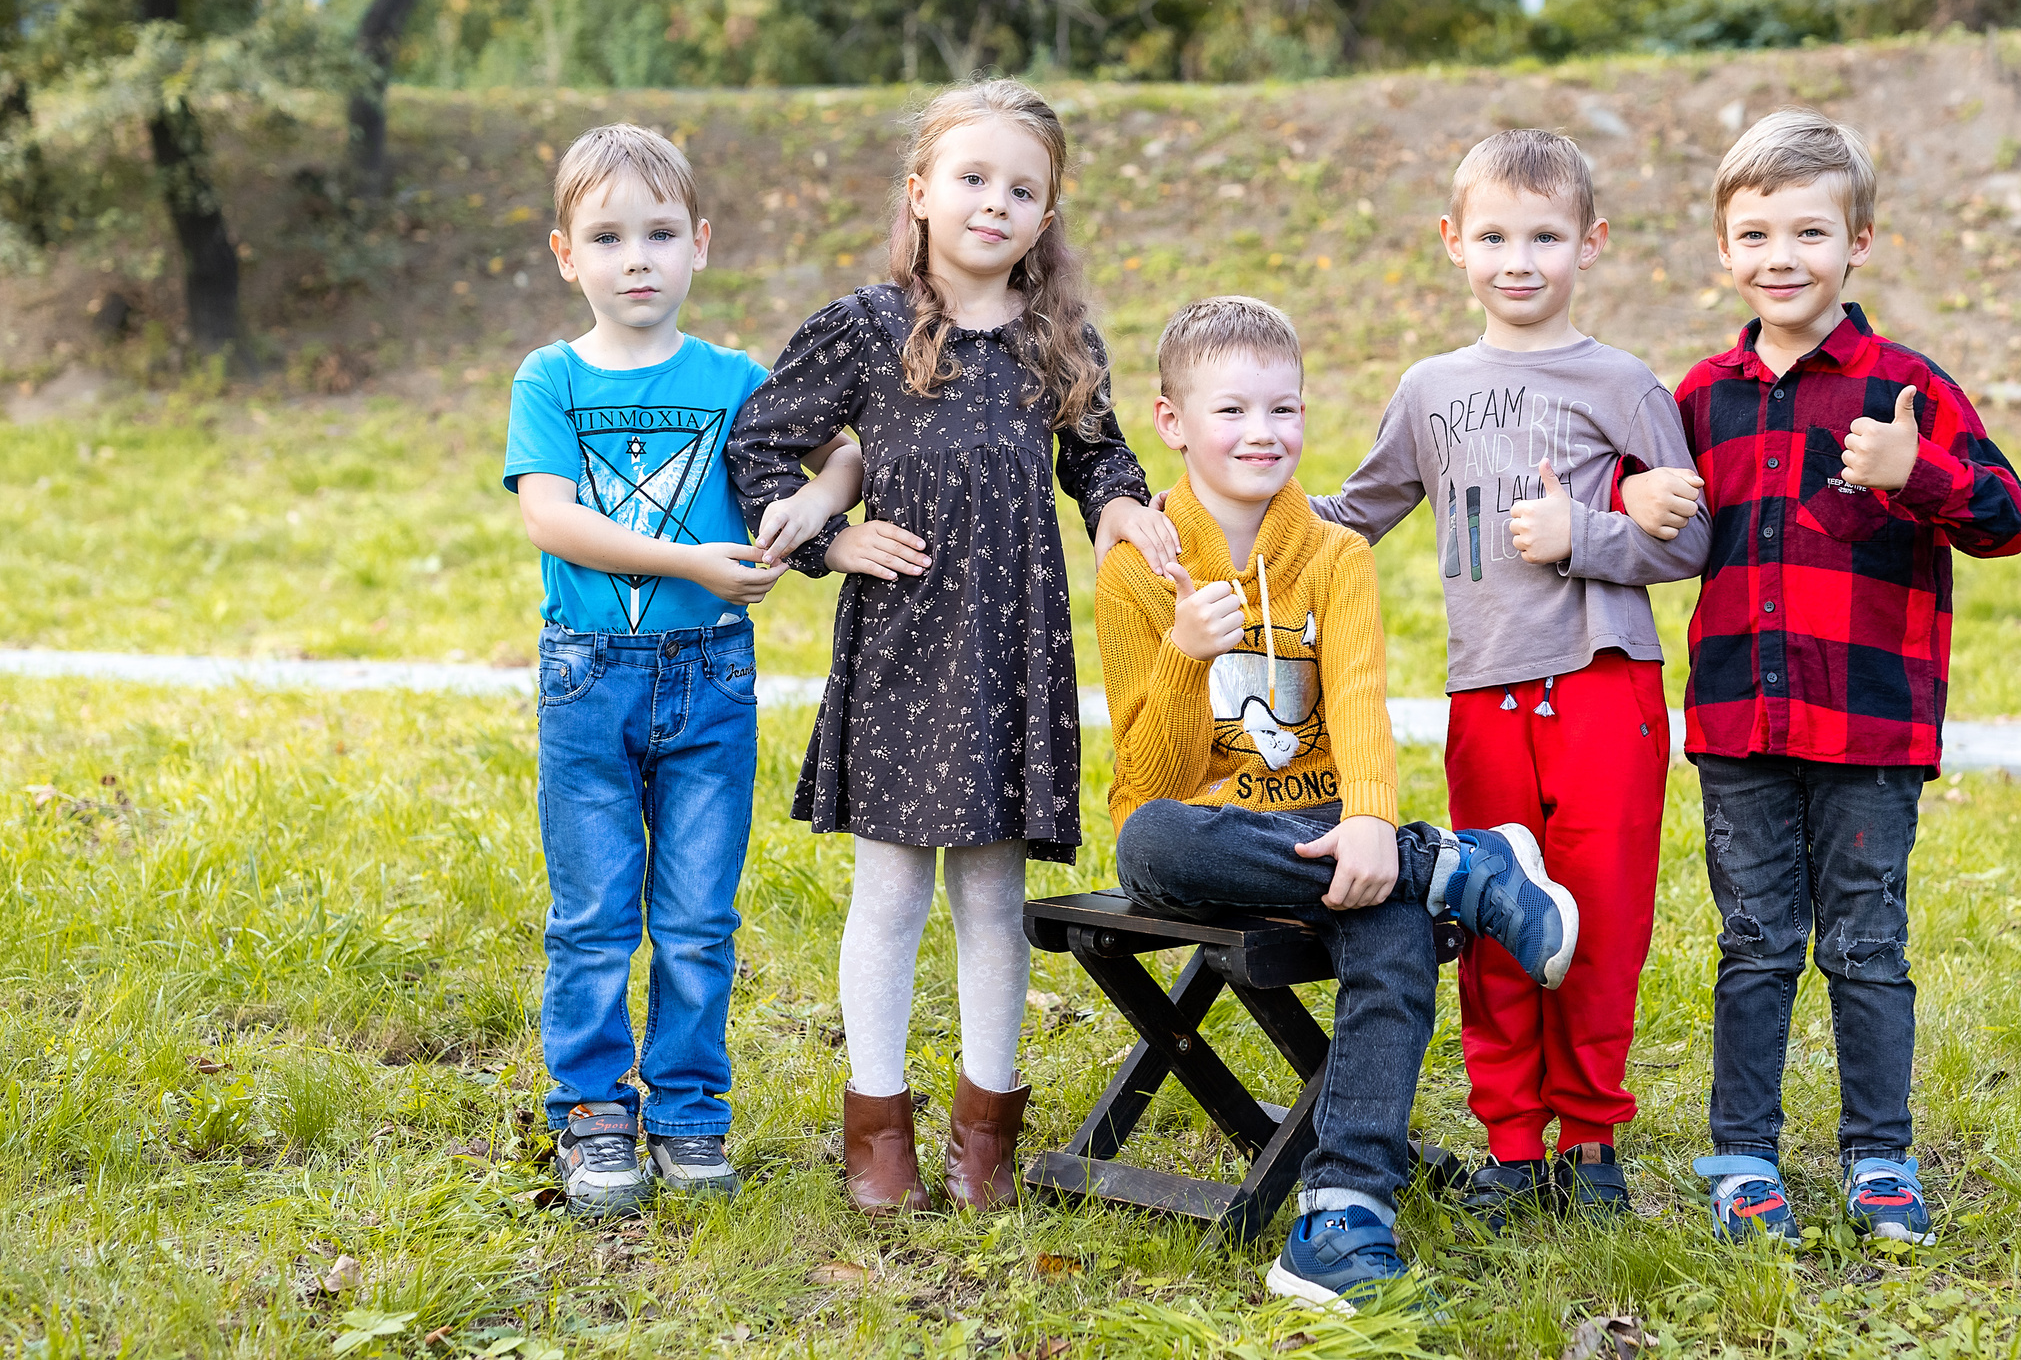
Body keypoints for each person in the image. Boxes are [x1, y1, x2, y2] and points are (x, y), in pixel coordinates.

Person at [1546, 108, 2021, 1246]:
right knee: (1755, 940)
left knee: (1866, 942)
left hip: (1869, 731)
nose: (1781, 256)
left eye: (1808, 233)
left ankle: (1878, 1155)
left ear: (1857, 241)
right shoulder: (1698, 396)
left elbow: (2008, 519)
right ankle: (1741, 1154)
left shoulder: (1903, 387)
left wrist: (1918, 474)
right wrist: (1626, 500)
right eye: (1755, 233)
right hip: (1737, 725)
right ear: (1724, 250)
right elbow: (1647, 512)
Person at [725, 79, 1181, 1216]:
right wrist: (832, 538)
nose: (995, 202)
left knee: (988, 896)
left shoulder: (1055, 336)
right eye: (972, 179)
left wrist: (1124, 509)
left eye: (1021, 188)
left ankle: (986, 1136)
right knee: (889, 893)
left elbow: (1099, 459)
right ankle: (877, 1139)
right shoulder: (864, 327)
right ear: (921, 192)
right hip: (903, 643)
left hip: (1012, 649)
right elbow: (761, 448)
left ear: (1046, 214)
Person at [1095, 295, 1583, 1310]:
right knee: (1147, 838)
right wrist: (1187, 658)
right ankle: (1453, 863)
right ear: (1172, 422)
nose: (1263, 433)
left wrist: (1366, 820)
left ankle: (1344, 1211)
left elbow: (1358, 700)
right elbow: (1151, 780)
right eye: (1231, 412)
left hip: (1327, 836)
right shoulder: (1137, 573)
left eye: (1286, 409)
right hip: (1207, 845)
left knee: (1389, 913)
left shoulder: (1334, 555)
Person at [1304, 130, 1689, 1227]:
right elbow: (1353, 516)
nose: (1518, 260)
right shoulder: (1429, 391)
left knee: (1601, 919)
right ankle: (1513, 1146)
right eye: (1493, 237)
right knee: (1499, 917)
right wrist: (1237, 507)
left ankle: (1592, 1142)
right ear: (1451, 244)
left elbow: (1684, 537)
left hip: (1604, 686)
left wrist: (1585, 534)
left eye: (1545, 237)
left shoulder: (1622, 385)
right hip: (1485, 699)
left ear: (1591, 243)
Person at [505, 123, 858, 1217]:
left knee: (699, 917)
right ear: (568, 255)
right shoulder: (550, 378)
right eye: (607, 238)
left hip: (711, 678)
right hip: (589, 679)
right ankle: (593, 1112)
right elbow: (553, 520)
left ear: (699, 243)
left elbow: (846, 445)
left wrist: (814, 507)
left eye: (660, 233)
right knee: (596, 913)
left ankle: (690, 1112)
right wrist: (684, 558)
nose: (637, 259)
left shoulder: (737, 378)